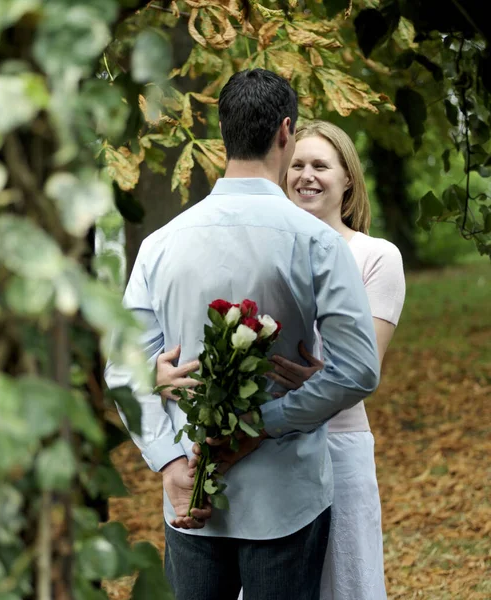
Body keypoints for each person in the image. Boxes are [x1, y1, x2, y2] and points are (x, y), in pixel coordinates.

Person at [104, 70, 380, 600]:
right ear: (285, 132)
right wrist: (265, 423)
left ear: (222, 133)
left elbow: (123, 367)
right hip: (287, 493)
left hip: (191, 490)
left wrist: (167, 460)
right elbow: (358, 370)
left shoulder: (161, 244)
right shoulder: (319, 243)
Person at [158, 120, 405, 600]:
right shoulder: (268, 246)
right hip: (256, 444)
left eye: (321, 166)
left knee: (342, 581)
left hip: (336, 441)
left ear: (348, 178)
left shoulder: (376, 256)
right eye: (297, 165)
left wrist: (324, 382)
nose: (306, 176)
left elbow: (359, 369)